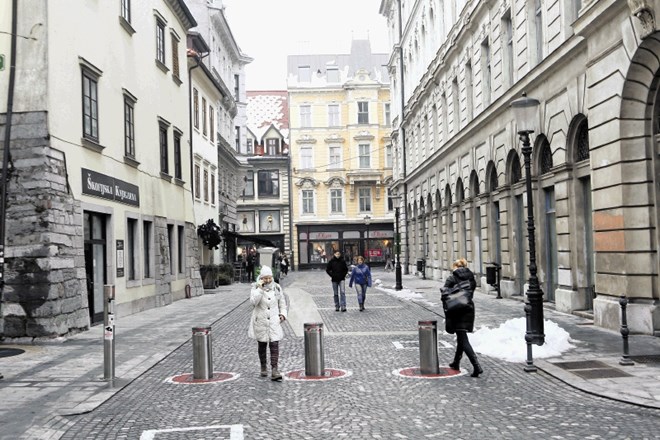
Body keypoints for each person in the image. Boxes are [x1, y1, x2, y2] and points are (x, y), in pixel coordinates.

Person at [442, 258, 482, 378]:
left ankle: (476, 366)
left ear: (455, 266)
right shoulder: (471, 278)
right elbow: (471, 292)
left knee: (463, 339)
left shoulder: (452, 278)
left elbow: (444, 293)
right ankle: (456, 362)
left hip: (456, 310)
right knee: (461, 335)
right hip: (468, 309)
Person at [247, 266, 287, 381]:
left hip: (274, 321)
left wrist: (282, 315)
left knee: (274, 344)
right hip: (261, 321)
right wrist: (260, 289)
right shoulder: (255, 287)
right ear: (261, 278)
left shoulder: (277, 288)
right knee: (262, 345)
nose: (268, 280)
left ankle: (275, 369)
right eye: (265, 278)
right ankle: (263, 367)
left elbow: (282, 304)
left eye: (269, 278)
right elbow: (253, 302)